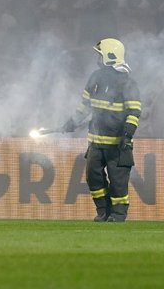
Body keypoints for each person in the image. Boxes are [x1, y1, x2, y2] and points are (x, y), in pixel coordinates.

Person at [61, 38, 142, 222]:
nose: (97, 59)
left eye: (100, 55)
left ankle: (118, 215)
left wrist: (127, 135)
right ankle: (103, 211)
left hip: (118, 145)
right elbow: (85, 106)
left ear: (109, 56)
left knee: (118, 182)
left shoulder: (127, 83)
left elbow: (134, 111)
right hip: (96, 142)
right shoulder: (95, 78)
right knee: (93, 177)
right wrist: (71, 122)